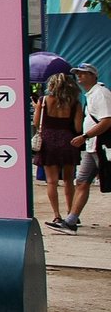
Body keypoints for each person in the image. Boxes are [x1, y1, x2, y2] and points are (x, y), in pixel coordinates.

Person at [53, 63, 111, 234]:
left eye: (83, 73)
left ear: (93, 75)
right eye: (77, 73)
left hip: (101, 145)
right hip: (92, 146)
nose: (79, 76)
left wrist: (85, 136)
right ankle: (71, 221)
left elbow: (107, 120)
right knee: (82, 181)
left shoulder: (100, 94)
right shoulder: (91, 94)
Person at [35, 73, 84, 230]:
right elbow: (78, 128)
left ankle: (56, 215)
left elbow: (36, 123)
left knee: (51, 181)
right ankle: (71, 214)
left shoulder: (43, 101)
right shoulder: (75, 104)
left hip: (48, 142)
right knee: (69, 180)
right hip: (68, 141)